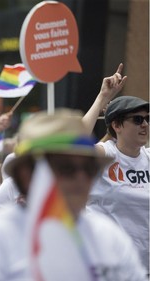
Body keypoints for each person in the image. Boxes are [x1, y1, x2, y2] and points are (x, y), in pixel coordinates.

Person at [0, 108, 147, 280]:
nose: (80, 178)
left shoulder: (109, 239)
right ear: (28, 175)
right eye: (67, 169)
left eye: (89, 168)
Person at [82, 63, 150, 274]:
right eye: (137, 119)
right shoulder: (106, 154)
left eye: (148, 119)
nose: (145, 125)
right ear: (116, 126)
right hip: (105, 268)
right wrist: (102, 97)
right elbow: (72, 144)